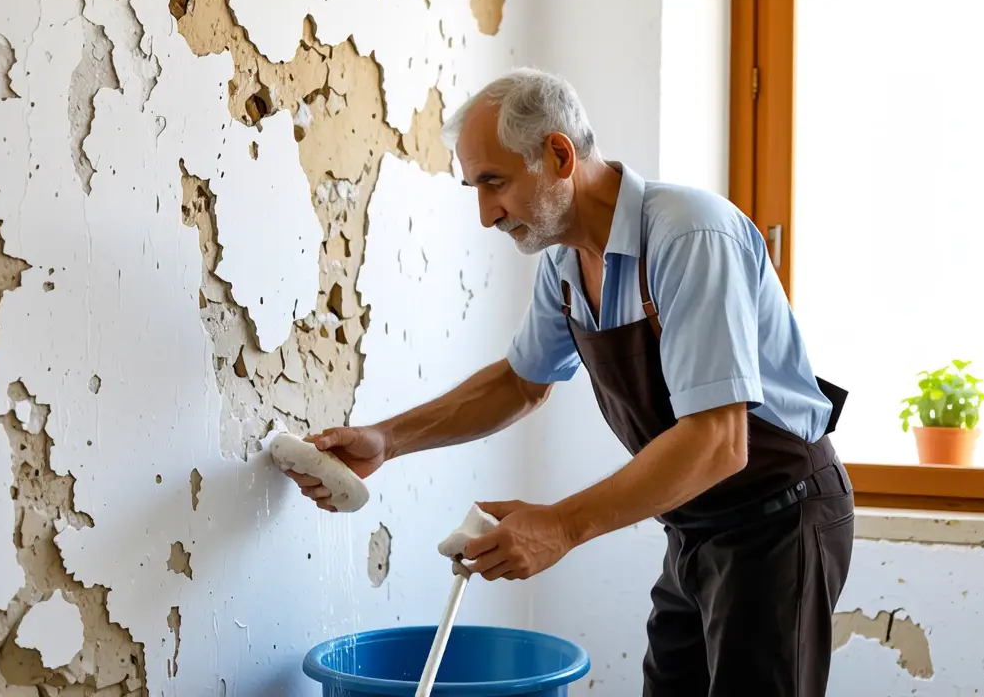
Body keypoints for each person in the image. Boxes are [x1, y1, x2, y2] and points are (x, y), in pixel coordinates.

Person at [284, 67, 855, 696]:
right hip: (693, 527)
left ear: (559, 154)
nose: (484, 214)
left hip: (780, 518)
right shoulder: (563, 261)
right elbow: (521, 383)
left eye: (494, 183)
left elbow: (719, 441)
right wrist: (386, 440)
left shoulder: (690, 235)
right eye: (475, 188)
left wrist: (560, 526)